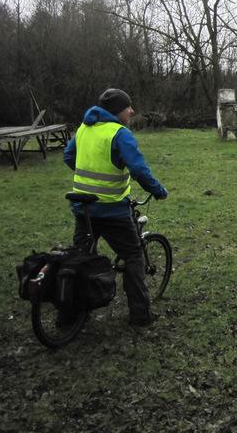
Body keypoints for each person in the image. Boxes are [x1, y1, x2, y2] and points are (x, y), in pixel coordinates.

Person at [63, 88, 168, 326]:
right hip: (111, 210)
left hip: (83, 208)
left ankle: (69, 314)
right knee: (133, 256)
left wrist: (90, 178)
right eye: (127, 107)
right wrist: (157, 190)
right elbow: (139, 170)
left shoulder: (83, 129)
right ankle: (141, 315)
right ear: (116, 111)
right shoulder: (119, 133)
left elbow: (69, 157)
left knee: (80, 258)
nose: (131, 111)